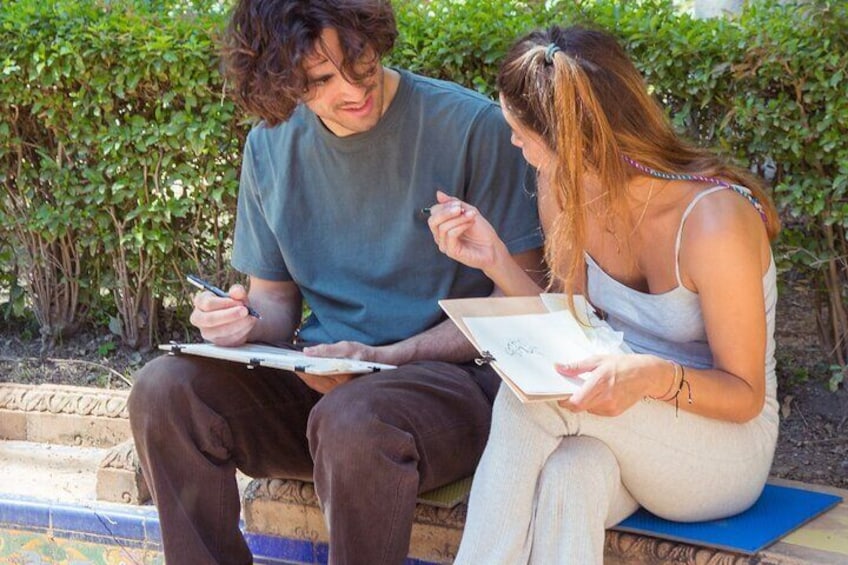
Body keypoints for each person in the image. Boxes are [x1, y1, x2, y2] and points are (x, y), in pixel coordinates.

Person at [127, 1, 544, 564]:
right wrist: (237, 324)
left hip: (451, 389)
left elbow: (523, 305)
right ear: (279, 79)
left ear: (374, 37)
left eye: (360, 60)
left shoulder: (473, 128)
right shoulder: (270, 146)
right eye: (322, 79)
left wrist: (384, 357)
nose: (353, 89)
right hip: (324, 389)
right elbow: (274, 304)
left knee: (353, 420)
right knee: (164, 390)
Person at [427, 25, 780, 564]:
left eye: (521, 132)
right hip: (627, 433)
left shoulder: (713, 222)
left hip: (723, 452)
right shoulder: (562, 190)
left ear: (570, 139)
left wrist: (649, 377)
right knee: (574, 474)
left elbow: (744, 395)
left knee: (526, 404)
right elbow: (573, 331)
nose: (515, 144)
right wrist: (494, 258)